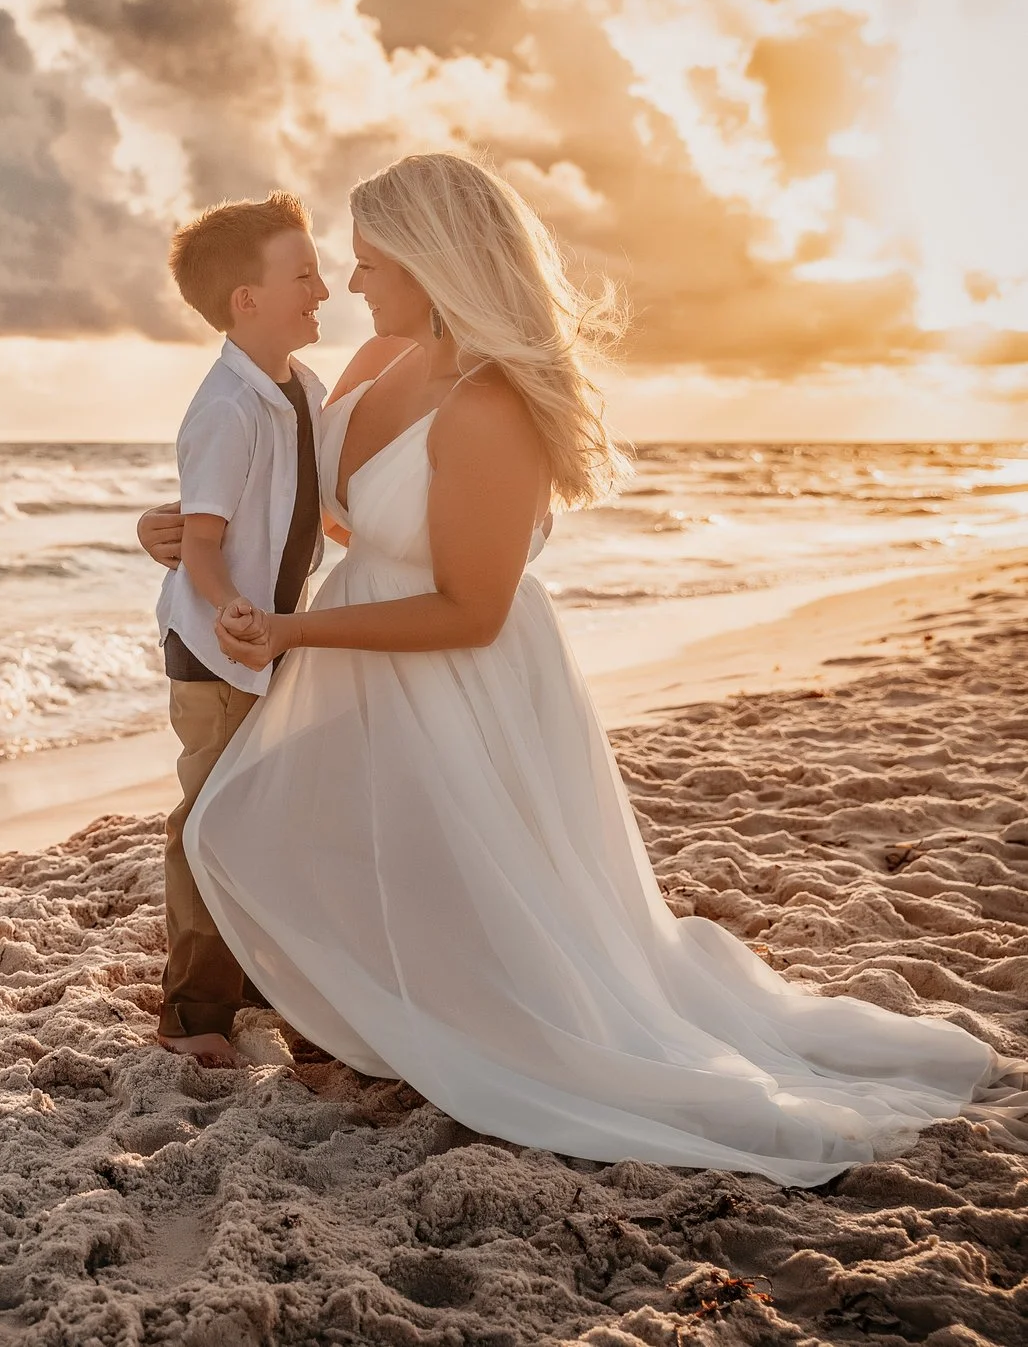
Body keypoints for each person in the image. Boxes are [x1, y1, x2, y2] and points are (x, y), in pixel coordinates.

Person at [190, 152, 1002, 1184]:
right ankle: (373, 1024)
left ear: (431, 262)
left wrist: (296, 634)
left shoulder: (490, 408)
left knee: (462, 869)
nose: (352, 285)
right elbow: (342, 516)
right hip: (361, 642)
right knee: (331, 835)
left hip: (453, 668)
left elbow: (469, 608)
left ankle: (457, 1033)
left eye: (369, 263)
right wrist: (191, 529)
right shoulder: (365, 369)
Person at [142, 193, 330, 1065]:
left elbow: (323, 514)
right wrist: (228, 606)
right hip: (217, 649)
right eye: (303, 275)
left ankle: (261, 985)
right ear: (245, 299)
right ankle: (195, 1016)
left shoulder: (303, 389)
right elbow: (202, 546)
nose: (323, 289)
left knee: (266, 811)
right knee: (209, 822)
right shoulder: (224, 409)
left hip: (272, 641)